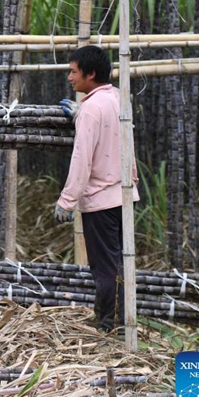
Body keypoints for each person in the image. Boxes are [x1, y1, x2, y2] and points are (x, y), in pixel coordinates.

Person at [55, 45, 139, 334]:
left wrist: (66, 201)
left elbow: (82, 160)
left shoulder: (92, 108)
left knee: (104, 267)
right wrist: (80, 114)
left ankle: (110, 325)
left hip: (101, 200)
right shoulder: (118, 98)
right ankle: (115, 317)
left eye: (73, 71)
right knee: (120, 261)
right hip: (125, 195)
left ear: (90, 74)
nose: (69, 77)